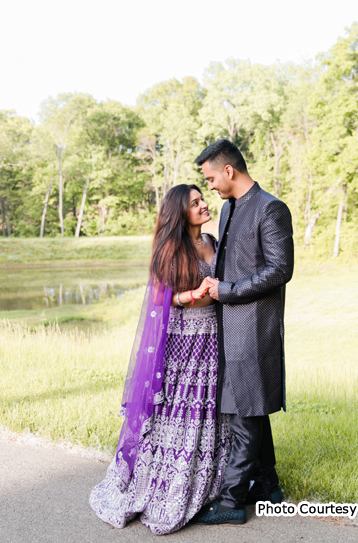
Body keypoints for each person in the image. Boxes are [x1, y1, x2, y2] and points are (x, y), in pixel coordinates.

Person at [89, 184, 232, 535]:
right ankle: (166, 486)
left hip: (214, 337)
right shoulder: (170, 249)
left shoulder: (213, 241)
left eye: (202, 199)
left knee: (208, 408)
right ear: (180, 213)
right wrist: (193, 295)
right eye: (195, 203)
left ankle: (213, 483)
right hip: (183, 341)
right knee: (180, 408)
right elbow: (162, 299)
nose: (203, 205)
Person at [192, 139, 294, 525]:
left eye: (212, 177)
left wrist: (227, 291)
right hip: (227, 325)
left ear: (229, 171)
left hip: (254, 327)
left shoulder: (270, 209)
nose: (211, 185)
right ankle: (268, 487)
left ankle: (233, 501)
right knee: (250, 408)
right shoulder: (228, 209)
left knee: (242, 413)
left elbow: (280, 270)